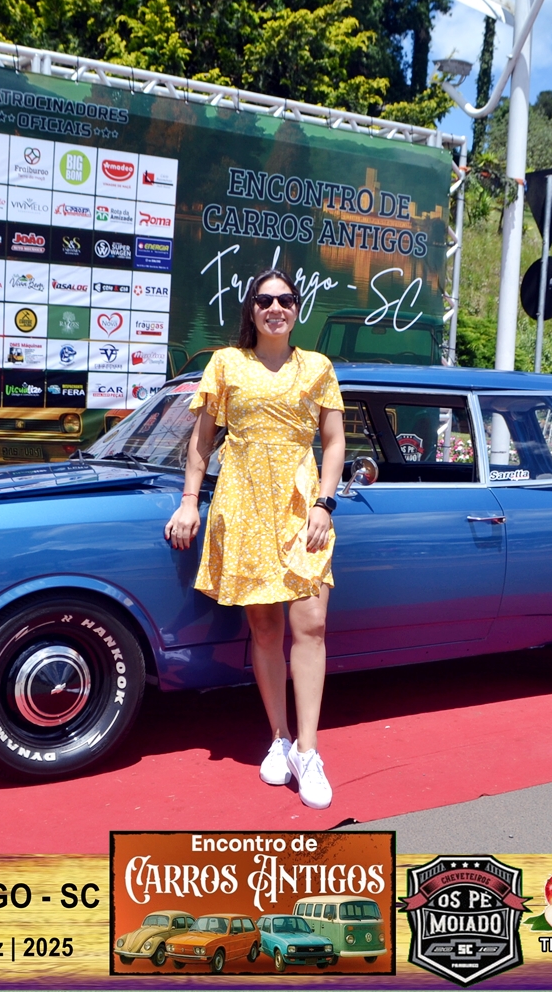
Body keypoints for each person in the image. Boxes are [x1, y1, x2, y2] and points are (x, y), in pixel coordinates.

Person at [163, 268, 345, 809]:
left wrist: (324, 503)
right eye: (265, 300)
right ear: (252, 309)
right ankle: (280, 739)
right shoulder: (226, 363)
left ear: (297, 308)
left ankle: (308, 752)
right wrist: (189, 501)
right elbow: (202, 441)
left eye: (285, 299)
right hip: (242, 505)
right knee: (264, 629)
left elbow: (334, 442)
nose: (275, 308)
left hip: (301, 507)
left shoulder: (318, 367)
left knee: (311, 624)